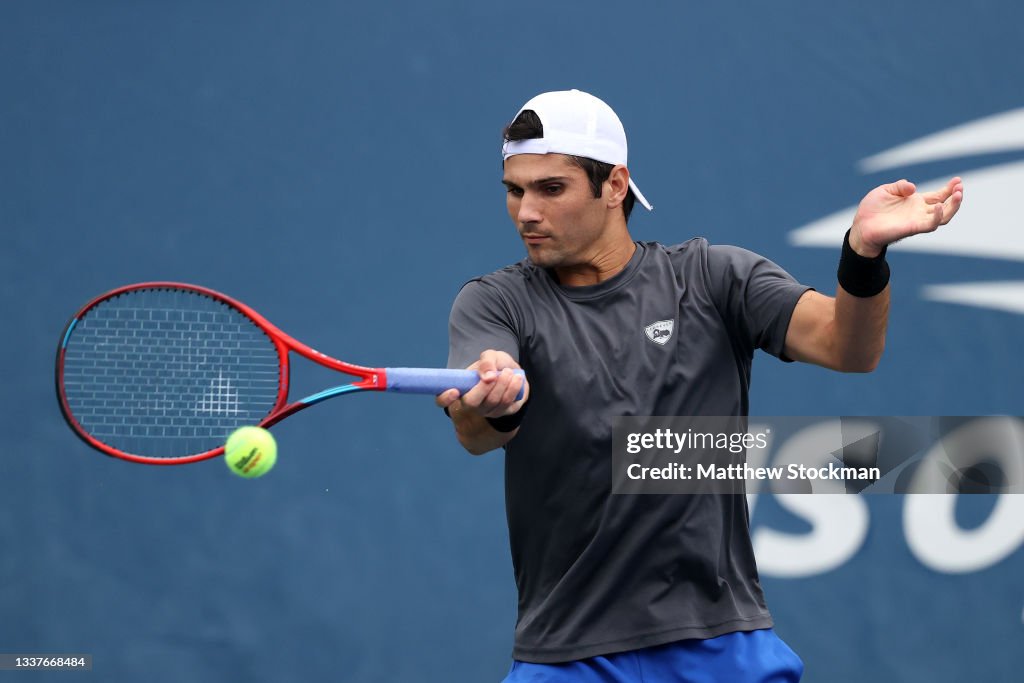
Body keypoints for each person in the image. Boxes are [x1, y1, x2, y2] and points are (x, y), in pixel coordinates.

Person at [435, 89, 963, 682]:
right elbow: (476, 430)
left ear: (614, 186)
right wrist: (496, 401)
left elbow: (850, 348)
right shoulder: (494, 302)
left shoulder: (714, 278)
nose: (526, 211)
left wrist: (863, 254)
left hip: (719, 646)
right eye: (515, 190)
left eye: (550, 189)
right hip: (567, 654)